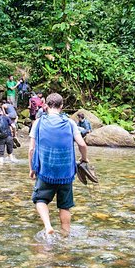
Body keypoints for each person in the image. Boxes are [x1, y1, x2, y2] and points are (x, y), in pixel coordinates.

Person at [28, 93, 88, 235]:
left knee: (40, 199)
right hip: (66, 173)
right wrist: (84, 159)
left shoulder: (38, 123)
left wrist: (31, 168)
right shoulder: (70, 123)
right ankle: (65, 235)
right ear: (62, 106)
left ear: (46, 106)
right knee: (65, 206)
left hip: (45, 171)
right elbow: (82, 144)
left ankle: (48, 226)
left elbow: (31, 149)